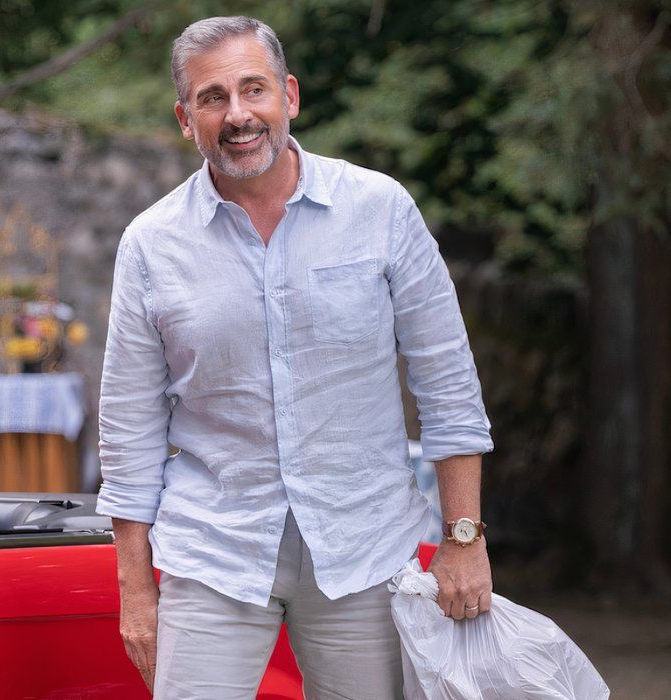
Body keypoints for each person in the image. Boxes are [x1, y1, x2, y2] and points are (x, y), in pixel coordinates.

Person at [96, 16, 494, 698]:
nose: (238, 114)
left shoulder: (380, 209)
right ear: (186, 120)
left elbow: (447, 382)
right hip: (214, 551)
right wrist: (136, 591)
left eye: (254, 89)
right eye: (212, 97)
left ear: (290, 96)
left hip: (364, 550)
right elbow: (128, 430)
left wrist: (464, 538)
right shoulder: (151, 244)